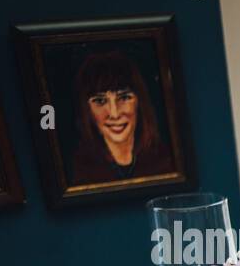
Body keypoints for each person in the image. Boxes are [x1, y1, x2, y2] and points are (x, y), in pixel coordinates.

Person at [70, 49, 169, 184]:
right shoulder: (77, 169)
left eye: (124, 97)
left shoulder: (167, 160)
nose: (114, 113)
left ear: (140, 103)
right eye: (100, 101)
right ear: (87, 110)